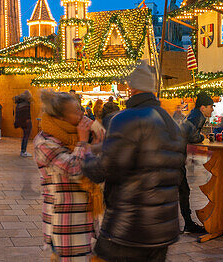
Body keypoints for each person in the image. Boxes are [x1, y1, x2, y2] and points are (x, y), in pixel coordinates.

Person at [81, 62, 185, 261]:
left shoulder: (126, 119)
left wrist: (85, 154)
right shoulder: (172, 123)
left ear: (131, 87)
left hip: (128, 227)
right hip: (164, 228)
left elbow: (105, 170)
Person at [34, 90, 103, 260]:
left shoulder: (71, 136)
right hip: (64, 221)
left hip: (82, 218)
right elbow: (75, 170)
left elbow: (92, 163)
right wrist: (82, 140)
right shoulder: (44, 142)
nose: (82, 114)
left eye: (80, 109)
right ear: (62, 118)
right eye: (76, 112)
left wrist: (96, 142)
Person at [179, 93, 213, 235]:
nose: (212, 110)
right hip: (175, 155)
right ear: (203, 107)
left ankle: (188, 222)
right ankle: (188, 223)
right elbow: (192, 135)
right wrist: (201, 137)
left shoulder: (195, 115)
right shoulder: (198, 116)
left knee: (182, 189)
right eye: (211, 107)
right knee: (182, 190)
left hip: (175, 154)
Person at [14, 90, 34, 157]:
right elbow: (27, 114)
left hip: (21, 122)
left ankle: (23, 150)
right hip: (26, 122)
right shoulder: (26, 104)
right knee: (26, 136)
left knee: (25, 136)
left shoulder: (19, 104)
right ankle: (23, 151)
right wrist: (28, 120)